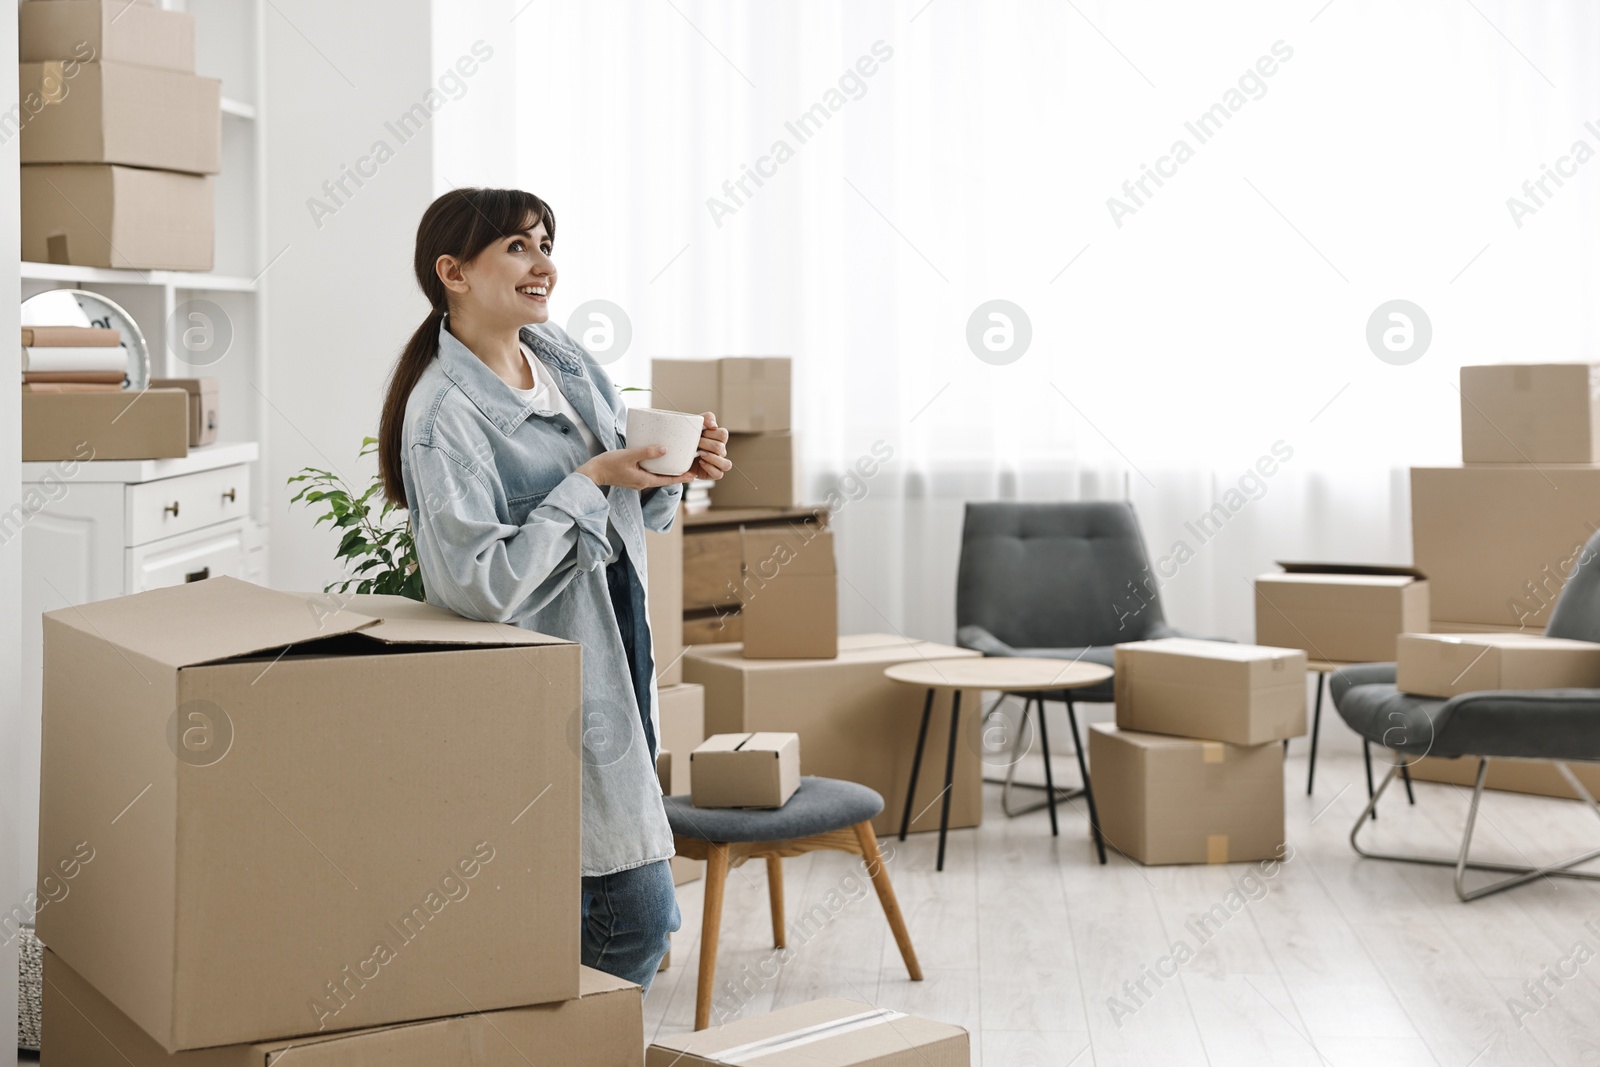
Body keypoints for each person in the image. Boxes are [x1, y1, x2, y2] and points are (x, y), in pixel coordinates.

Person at [375, 187, 731, 991]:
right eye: (520, 247)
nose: (546, 265)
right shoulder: (445, 416)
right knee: (634, 914)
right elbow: (477, 586)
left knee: (620, 913)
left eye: (546, 244)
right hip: (544, 683)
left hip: (618, 649)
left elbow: (628, 494)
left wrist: (676, 470)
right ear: (453, 272)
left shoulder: (560, 355)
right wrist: (589, 478)